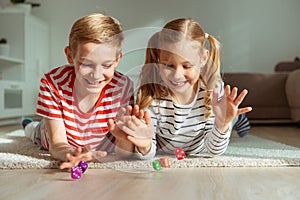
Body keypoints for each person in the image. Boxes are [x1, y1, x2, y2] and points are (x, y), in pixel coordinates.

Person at [110, 18, 252, 159]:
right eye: (168, 66)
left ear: (203, 58)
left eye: (187, 66)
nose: (177, 75)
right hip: (171, 147)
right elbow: (148, 153)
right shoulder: (152, 95)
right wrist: (145, 145)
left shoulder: (212, 91)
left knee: (227, 120)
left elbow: (212, 151)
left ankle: (237, 119)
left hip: (202, 143)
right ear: (159, 59)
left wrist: (222, 123)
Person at [23, 13, 134, 169]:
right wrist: (72, 153)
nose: (96, 75)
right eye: (86, 64)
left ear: (117, 60)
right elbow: (57, 143)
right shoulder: (52, 83)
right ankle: (28, 124)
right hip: (53, 132)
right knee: (34, 131)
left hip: (89, 136)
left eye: (107, 65)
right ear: (70, 56)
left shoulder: (124, 87)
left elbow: (124, 146)